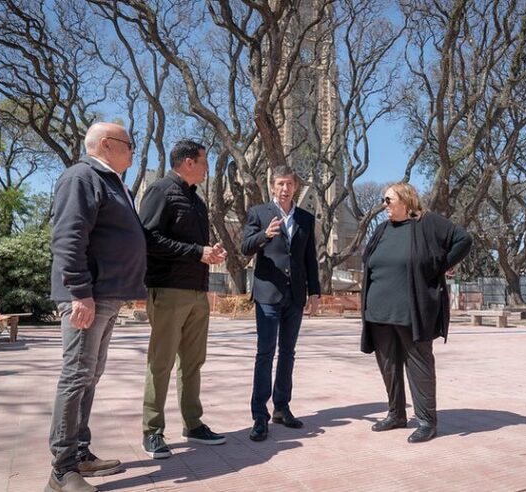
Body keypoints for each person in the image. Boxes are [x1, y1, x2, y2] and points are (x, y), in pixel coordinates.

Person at [47, 122, 147, 492]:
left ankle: (80, 453)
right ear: (107, 144)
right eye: (129, 145)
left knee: (90, 375)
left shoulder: (111, 182)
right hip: (87, 296)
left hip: (105, 295)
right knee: (76, 376)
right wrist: (78, 292)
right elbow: (69, 236)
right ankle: (61, 470)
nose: (134, 152)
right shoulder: (82, 177)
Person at [361, 182, 472, 444]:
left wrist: (440, 265)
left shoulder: (426, 223)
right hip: (379, 311)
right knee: (388, 365)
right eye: (383, 200)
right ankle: (396, 414)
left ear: (406, 200)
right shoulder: (382, 229)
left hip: (411, 310)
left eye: (389, 200)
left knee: (418, 364)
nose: (384, 206)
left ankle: (426, 421)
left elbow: (463, 239)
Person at [138, 140, 228, 459]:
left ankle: (193, 423)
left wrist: (209, 253)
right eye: (204, 162)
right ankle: (152, 430)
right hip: (168, 289)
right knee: (161, 361)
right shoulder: (161, 190)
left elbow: (194, 248)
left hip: (197, 291)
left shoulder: (198, 202)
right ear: (188, 163)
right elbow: (148, 237)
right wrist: (196, 252)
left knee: (193, 361)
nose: (207, 168)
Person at [240, 165, 321, 441]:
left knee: (288, 352)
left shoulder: (306, 218)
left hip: (296, 295)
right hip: (267, 295)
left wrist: (315, 292)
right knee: (266, 352)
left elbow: (310, 258)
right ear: (272, 187)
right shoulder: (259, 213)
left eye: (289, 184)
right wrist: (265, 235)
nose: (285, 189)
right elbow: (245, 247)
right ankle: (259, 415)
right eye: (280, 184)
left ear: (295, 186)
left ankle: (281, 407)